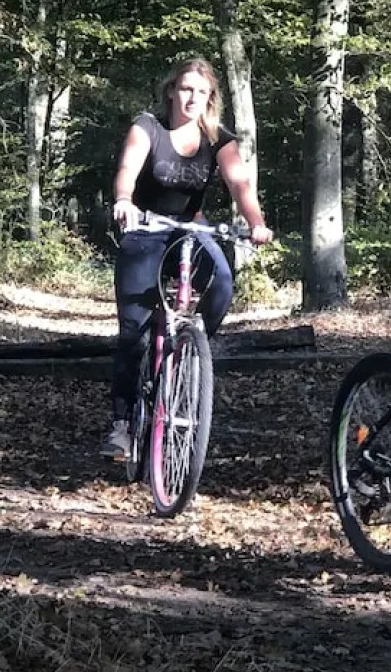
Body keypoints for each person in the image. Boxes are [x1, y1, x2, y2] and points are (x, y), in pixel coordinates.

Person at [100, 58, 272, 461]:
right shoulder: (149, 127)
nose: (192, 98)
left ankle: (192, 353)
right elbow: (128, 168)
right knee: (134, 332)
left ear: (210, 97)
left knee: (222, 282)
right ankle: (122, 423)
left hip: (191, 229)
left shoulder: (218, 139)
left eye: (201, 91)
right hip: (144, 228)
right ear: (171, 92)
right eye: (186, 89)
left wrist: (257, 223)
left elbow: (240, 184)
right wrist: (124, 201)